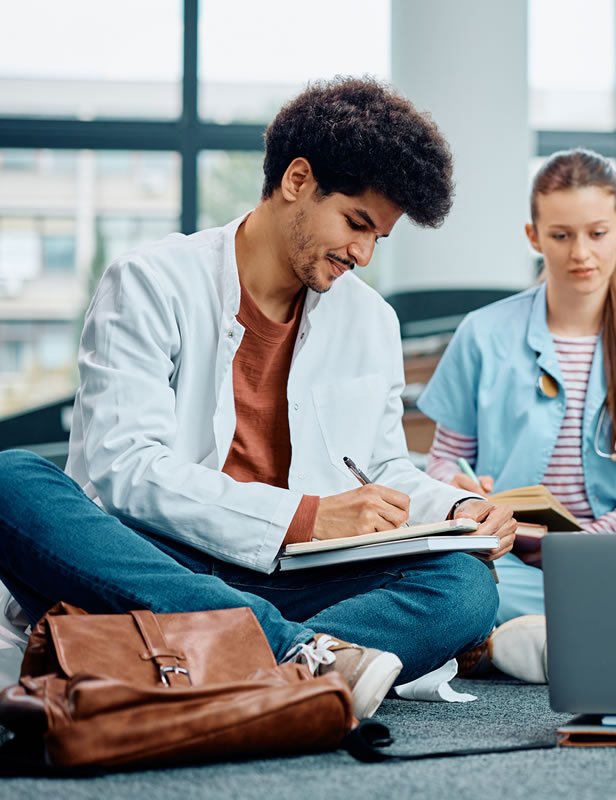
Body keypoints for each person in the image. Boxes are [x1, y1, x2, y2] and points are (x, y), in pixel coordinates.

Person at [0, 78, 515, 720]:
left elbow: (383, 469)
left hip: (292, 578)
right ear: (297, 180)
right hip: (153, 558)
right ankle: (298, 657)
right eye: (356, 223)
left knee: (464, 587)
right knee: (11, 481)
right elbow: (124, 468)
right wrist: (304, 516)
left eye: (380, 237)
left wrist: (457, 506)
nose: (363, 252)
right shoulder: (150, 281)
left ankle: (235, 661)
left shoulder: (371, 320)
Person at [417, 148, 616, 682]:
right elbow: (444, 460)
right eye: (561, 235)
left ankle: (516, 640)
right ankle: (590, 637)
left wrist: (588, 547)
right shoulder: (482, 331)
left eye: (596, 233)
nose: (580, 253)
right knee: (447, 582)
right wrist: (461, 492)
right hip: (509, 558)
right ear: (533, 236)